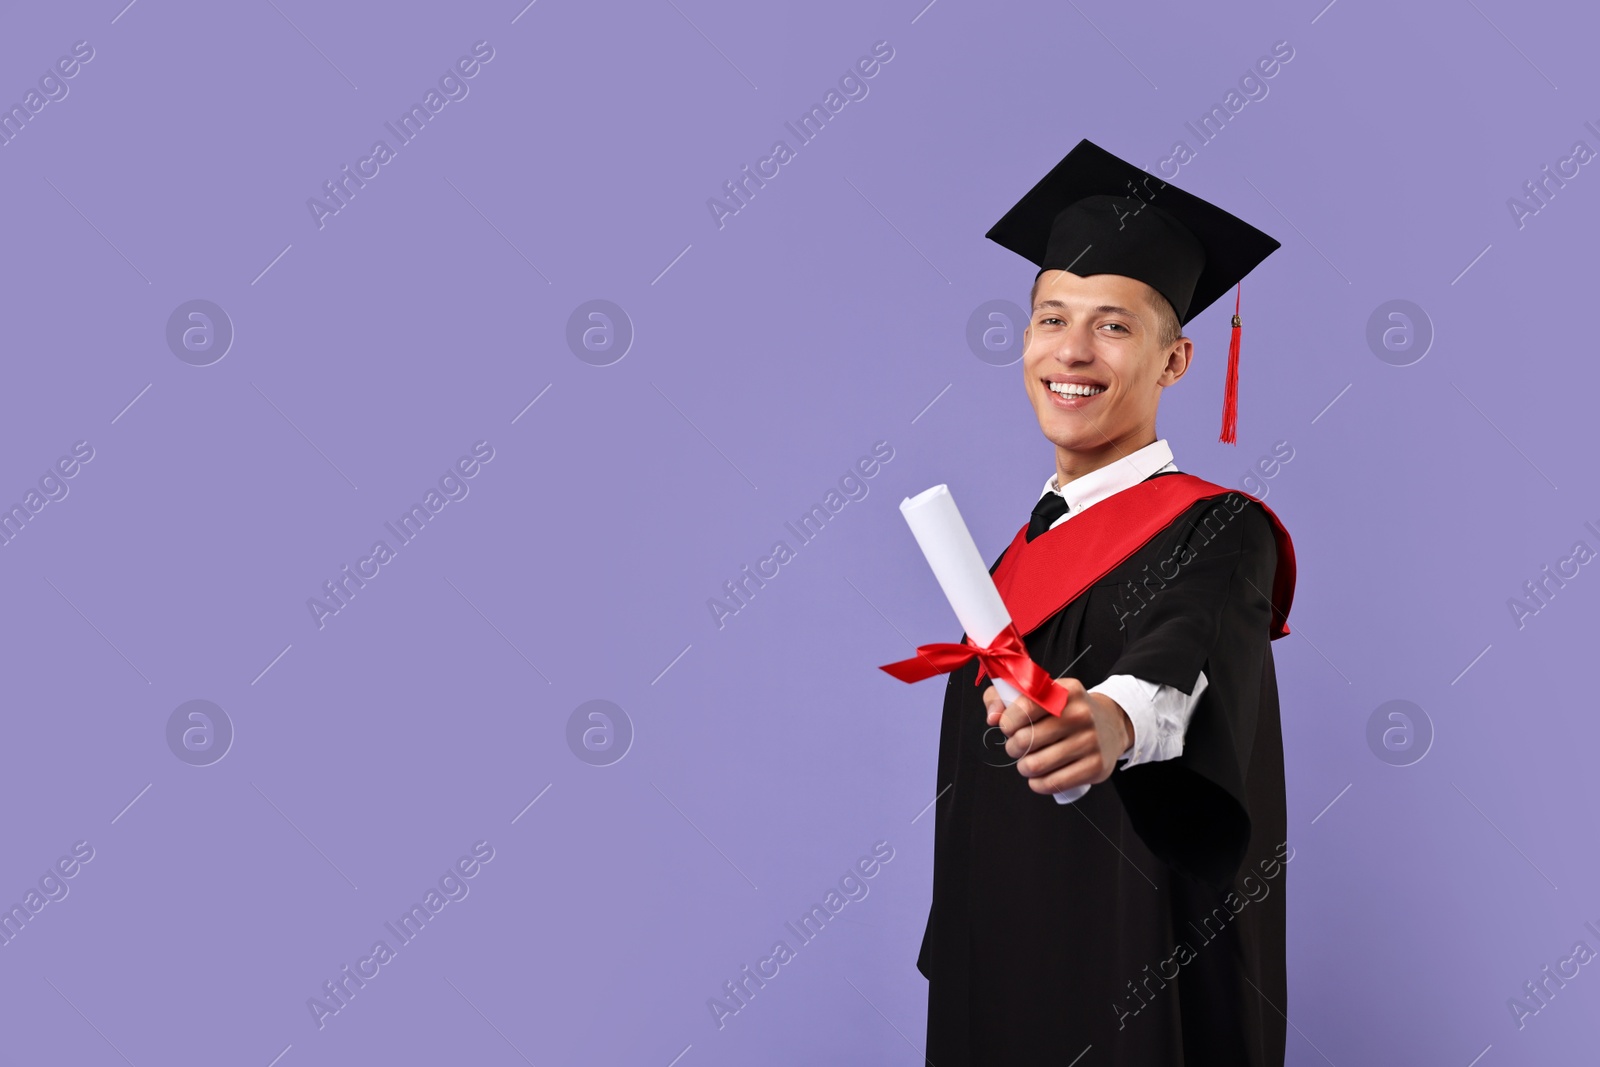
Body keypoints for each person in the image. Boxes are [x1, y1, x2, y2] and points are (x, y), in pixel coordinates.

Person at [896, 139, 1299, 1064]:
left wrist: (1109, 721)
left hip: (1128, 965)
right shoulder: (1014, 553)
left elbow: (1182, 655)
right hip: (994, 959)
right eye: (1049, 318)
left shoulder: (1218, 530)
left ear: (1177, 360)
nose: (1069, 351)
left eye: (1113, 326)